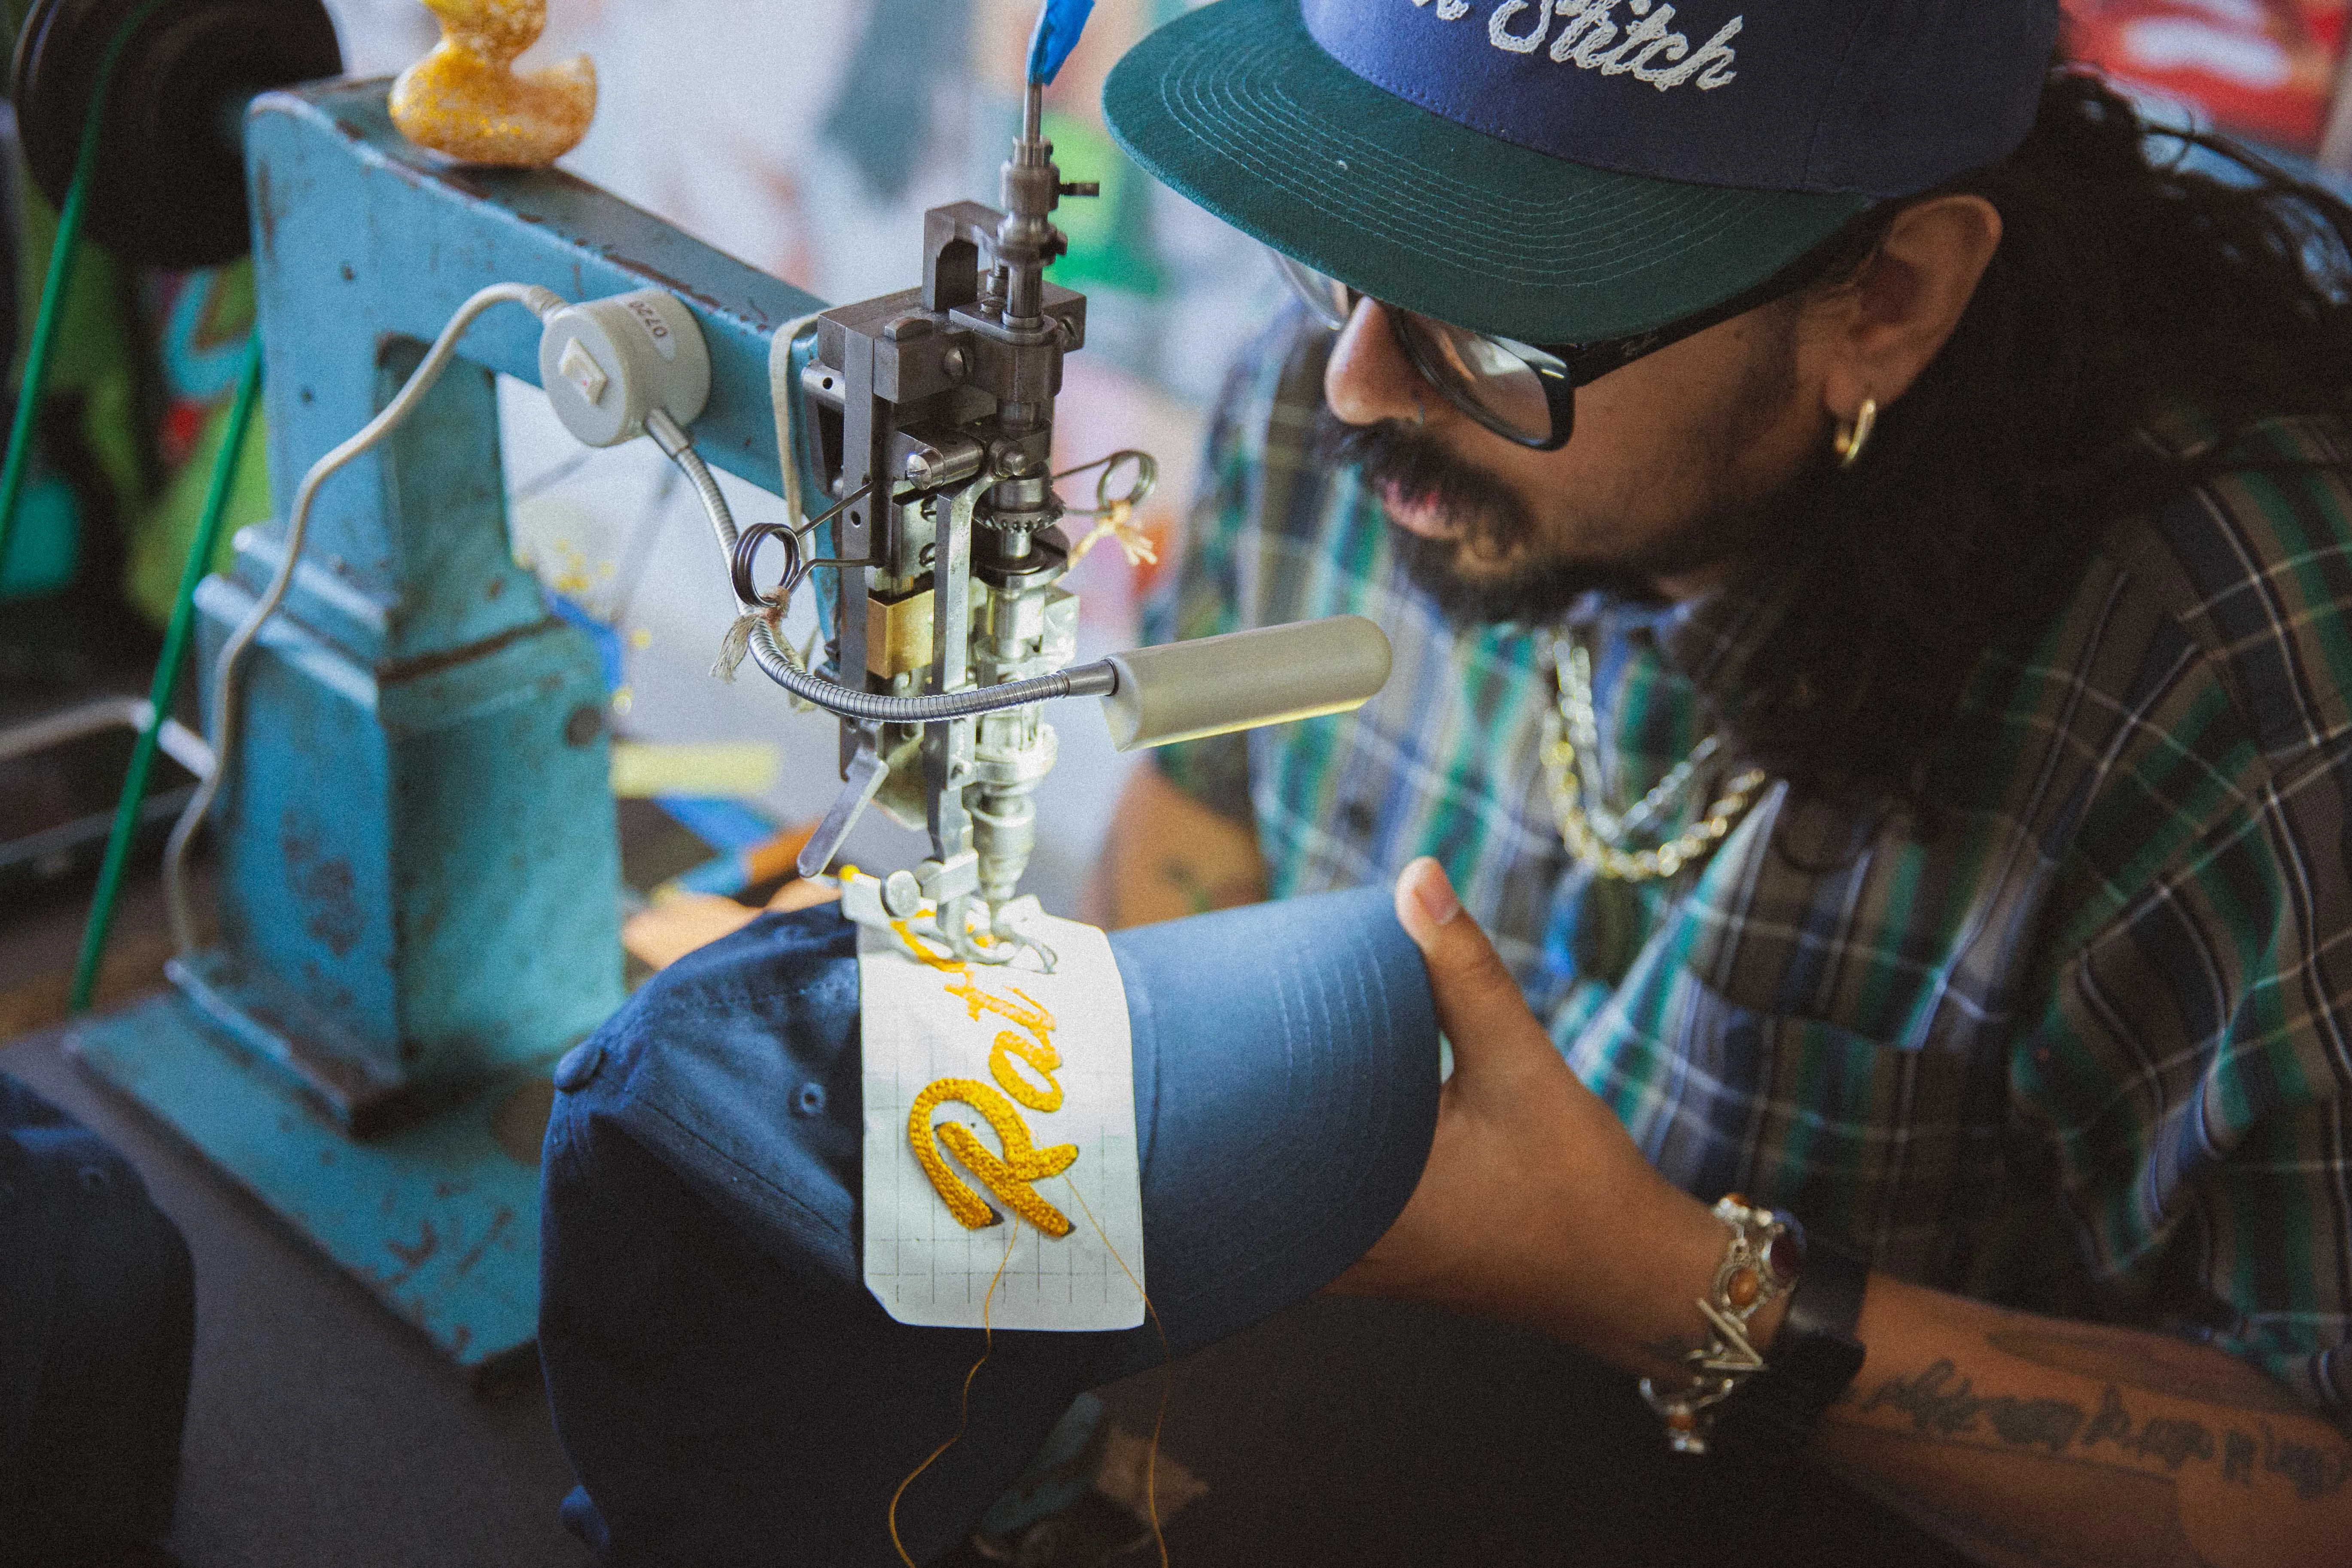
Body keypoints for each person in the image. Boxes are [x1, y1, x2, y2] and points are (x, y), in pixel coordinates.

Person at [1085, 0, 2352, 1562]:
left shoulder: (2235, 669)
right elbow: (1196, 820)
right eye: (1341, 244)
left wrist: (1660, 1289)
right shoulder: (1351, 387)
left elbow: (2317, 1478)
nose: (1356, 382)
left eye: (1493, 326)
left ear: (1881, 300)